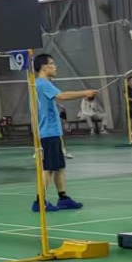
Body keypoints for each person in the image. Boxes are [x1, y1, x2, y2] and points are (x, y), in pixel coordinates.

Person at [31, 55, 96, 212]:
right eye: (52, 64)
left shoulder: (43, 84)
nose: (55, 67)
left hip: (53, 131)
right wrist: (85, 92)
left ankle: (63, 198)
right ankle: (39, 202)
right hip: (48, 132)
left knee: (59, 167)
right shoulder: (42, 83)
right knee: (48, 168)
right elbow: (62, 96)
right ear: (44, 67)